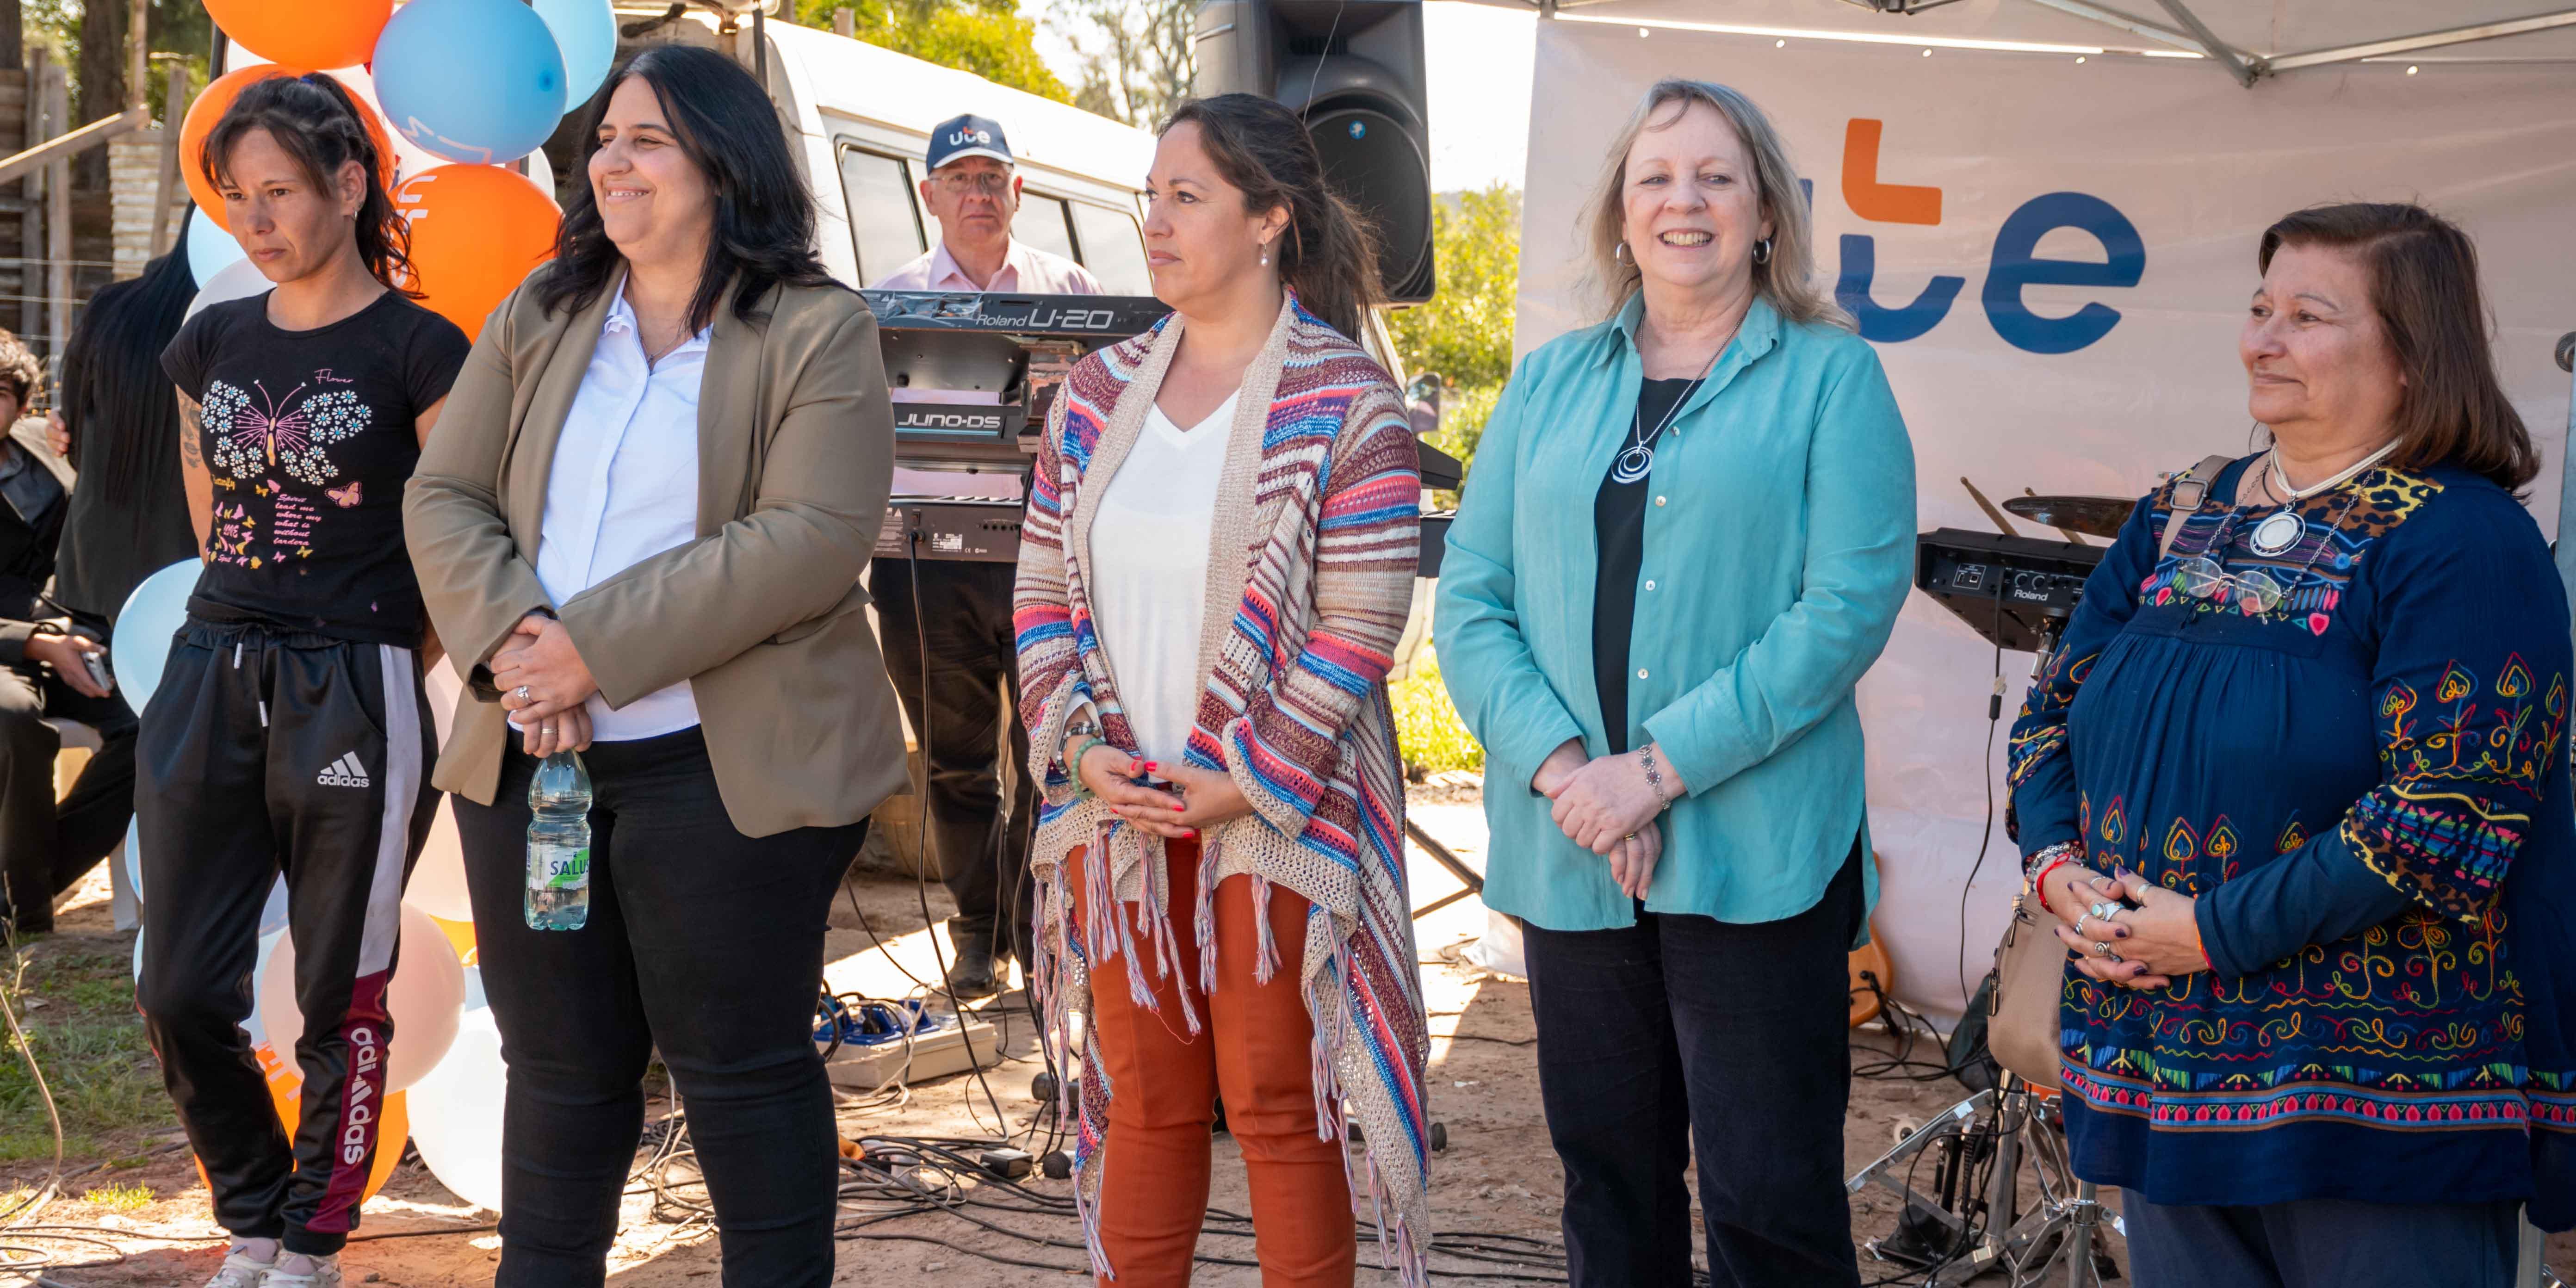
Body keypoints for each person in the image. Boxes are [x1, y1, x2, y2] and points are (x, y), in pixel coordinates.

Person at [404, 46, 904, 1288]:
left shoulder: (818, 331)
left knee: (740, 1072)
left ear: (725, 166)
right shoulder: (542, 312)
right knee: (561, 1072)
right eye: (606, 139)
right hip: (531, 762)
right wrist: (527, 646)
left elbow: (809, 538)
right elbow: (445, 495)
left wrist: (595, 651)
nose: (608, 164)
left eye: (645, 141)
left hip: (729, 771)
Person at [2007, 202, 2576, 1288]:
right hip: (2154, 1064)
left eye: (2306, 316)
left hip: (2366, 1108)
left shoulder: (2462, 539)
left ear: (2413, 358)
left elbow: (2447, 817)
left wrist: (2211, 932)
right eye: (2259, 308)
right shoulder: (2180, 511)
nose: (2259, 340)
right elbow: (2048, 714)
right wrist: (2060, 876)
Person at [1435, 79, 1914, 1287]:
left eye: (1715, 177)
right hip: (1572, 850)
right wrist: (1571, 779)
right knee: (1610, 1185)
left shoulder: (1832, 380)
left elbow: (1845, 611)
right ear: (1619, 213)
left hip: (1756, 855)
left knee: (1770, 1200)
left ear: (1765, 215)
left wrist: (1655, 773)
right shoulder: (1549, 383)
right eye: (1656, 176)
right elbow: (1472, 595)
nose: (1682, 200)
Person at [1014, 93, 1428, 1286]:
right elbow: (1041, 589)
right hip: (1121, 805)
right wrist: (1084, 753)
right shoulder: (1093, 394)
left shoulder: (1349, 402)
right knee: (1141, 1098)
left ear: (1268, 221)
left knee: (1274, 1103)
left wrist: (1237, 781)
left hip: (1273, 817)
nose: (1156, 219)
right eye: (1153, 196)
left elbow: (1358, 629)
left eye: (1186, 196)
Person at [137, 73, 469, 1288]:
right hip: (211, 667)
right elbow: (206, 489)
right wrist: (246, 606)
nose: (257, 220)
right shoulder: (212, 338)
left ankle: (313, 1239)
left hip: (356, 684)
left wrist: (385, 654)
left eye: (280, 191)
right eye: (237, 199)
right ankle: (254, 1209)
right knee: (178, 985)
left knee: (343, 987)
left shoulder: (425, 349)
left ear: (347, 182)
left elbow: (461, 534)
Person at [868, 112, 1100, 998]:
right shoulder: (886, 301)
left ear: (1018, 190)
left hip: (1044, 562)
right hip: (922, 566)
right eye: (959, 178)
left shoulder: (1070, 288)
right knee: (953, 757)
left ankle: (1037, 927)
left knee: (1050, 752)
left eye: (991, 177)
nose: (978, 193)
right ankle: (974, 932)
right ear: (929, 194)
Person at [0, 330, 133, 936]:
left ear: (22, 404)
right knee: (13, 716)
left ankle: (33, 879)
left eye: (1, 393)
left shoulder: (41, 456)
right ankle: (24, 907)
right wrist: (31, 640)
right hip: (11, 648)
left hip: (60, 633)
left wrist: (66, 632)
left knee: (153, 720)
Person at [50, 211, 204, 627]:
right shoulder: (260, 324)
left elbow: (74, 442)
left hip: (93, 581)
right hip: (202, 594)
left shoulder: (112, 308)